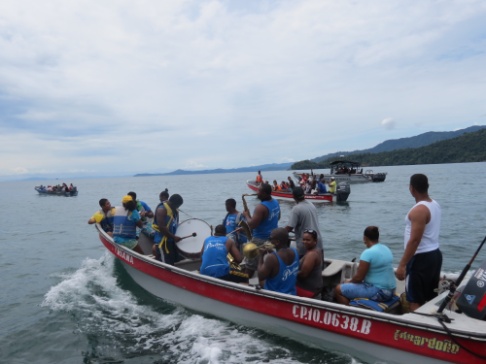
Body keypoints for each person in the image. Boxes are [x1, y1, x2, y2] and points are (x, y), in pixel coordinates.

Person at [395, 174, 442, 311]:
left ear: (412, 188)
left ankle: (413, 331)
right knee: (429, 296)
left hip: (420, 258)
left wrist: (402, 265)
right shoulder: (435, 204)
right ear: (427, 186)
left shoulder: (419, 210)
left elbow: (415, 240)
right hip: (434, 255)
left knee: (414, 299)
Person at [335, 226, 396, 305]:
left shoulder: (368, 253)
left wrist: (349, 282)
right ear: (378, 237)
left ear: (364, 238)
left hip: (380, 292)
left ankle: (350, 312)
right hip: (391, 291)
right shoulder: (386, 248)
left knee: (338, 289)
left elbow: (359, 278)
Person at [242, 183, 281, 276]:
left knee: (250, 267)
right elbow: (278, 217)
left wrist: (246, 215)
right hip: (271, 240)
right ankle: (261, 284)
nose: (257, 192)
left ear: (264, 193)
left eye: (258, 190)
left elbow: (252, 225)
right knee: (264, 262)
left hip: (259, 240)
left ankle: (249, 286)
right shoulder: (275, 202)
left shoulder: (260, 207)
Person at [258, 228, 299, 295]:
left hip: (275, 295)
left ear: (277, 242)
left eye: (270, 239)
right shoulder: (295, 251)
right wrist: (273, 252)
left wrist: (261, 255)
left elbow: (260, 276)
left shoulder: (271, 258)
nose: (269, 240)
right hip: (291, 293)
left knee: (251, 280)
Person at [285, 187, 323, 258]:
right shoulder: (311, 204)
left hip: (306, 244)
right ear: (304, 195)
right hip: (317, 241)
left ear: (294, 197)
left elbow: (289, 227)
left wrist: (279, 233)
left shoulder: (296, 209)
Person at [152, 194, 184, 265]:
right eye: (178, 206)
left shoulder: (173, 209)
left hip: (170, 240)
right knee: (166, 264)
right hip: (162, 241)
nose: (178, 207)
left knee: (174, 259)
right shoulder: (162, 209)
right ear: (173, 203)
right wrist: (174, 237)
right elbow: (162, 228)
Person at [296, 229, 323, 299]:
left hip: (307, 290)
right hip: (315, 288)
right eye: (303, 239)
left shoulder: (311, 255)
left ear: (315, 241)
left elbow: (303, 274)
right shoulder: (318, 250)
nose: (305, 242)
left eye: (308, 240)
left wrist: (291, 272)